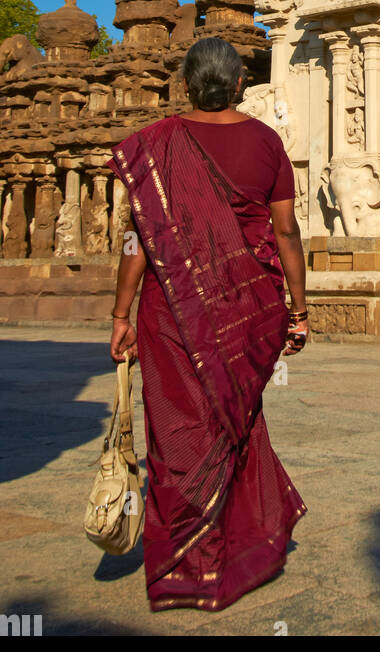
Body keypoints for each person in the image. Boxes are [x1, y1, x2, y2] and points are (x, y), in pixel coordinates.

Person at [106, 36, 308, 613]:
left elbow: (136, 240)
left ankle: (189, 570)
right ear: (241, 83)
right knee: (231, 423)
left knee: (178, 435)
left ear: (185, 85)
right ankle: (239, 547)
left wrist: (120, 314)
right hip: (250, 311)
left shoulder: (158, 145)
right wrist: (298, 308)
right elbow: (286, 234)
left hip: (172, 313)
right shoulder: (266, 143)